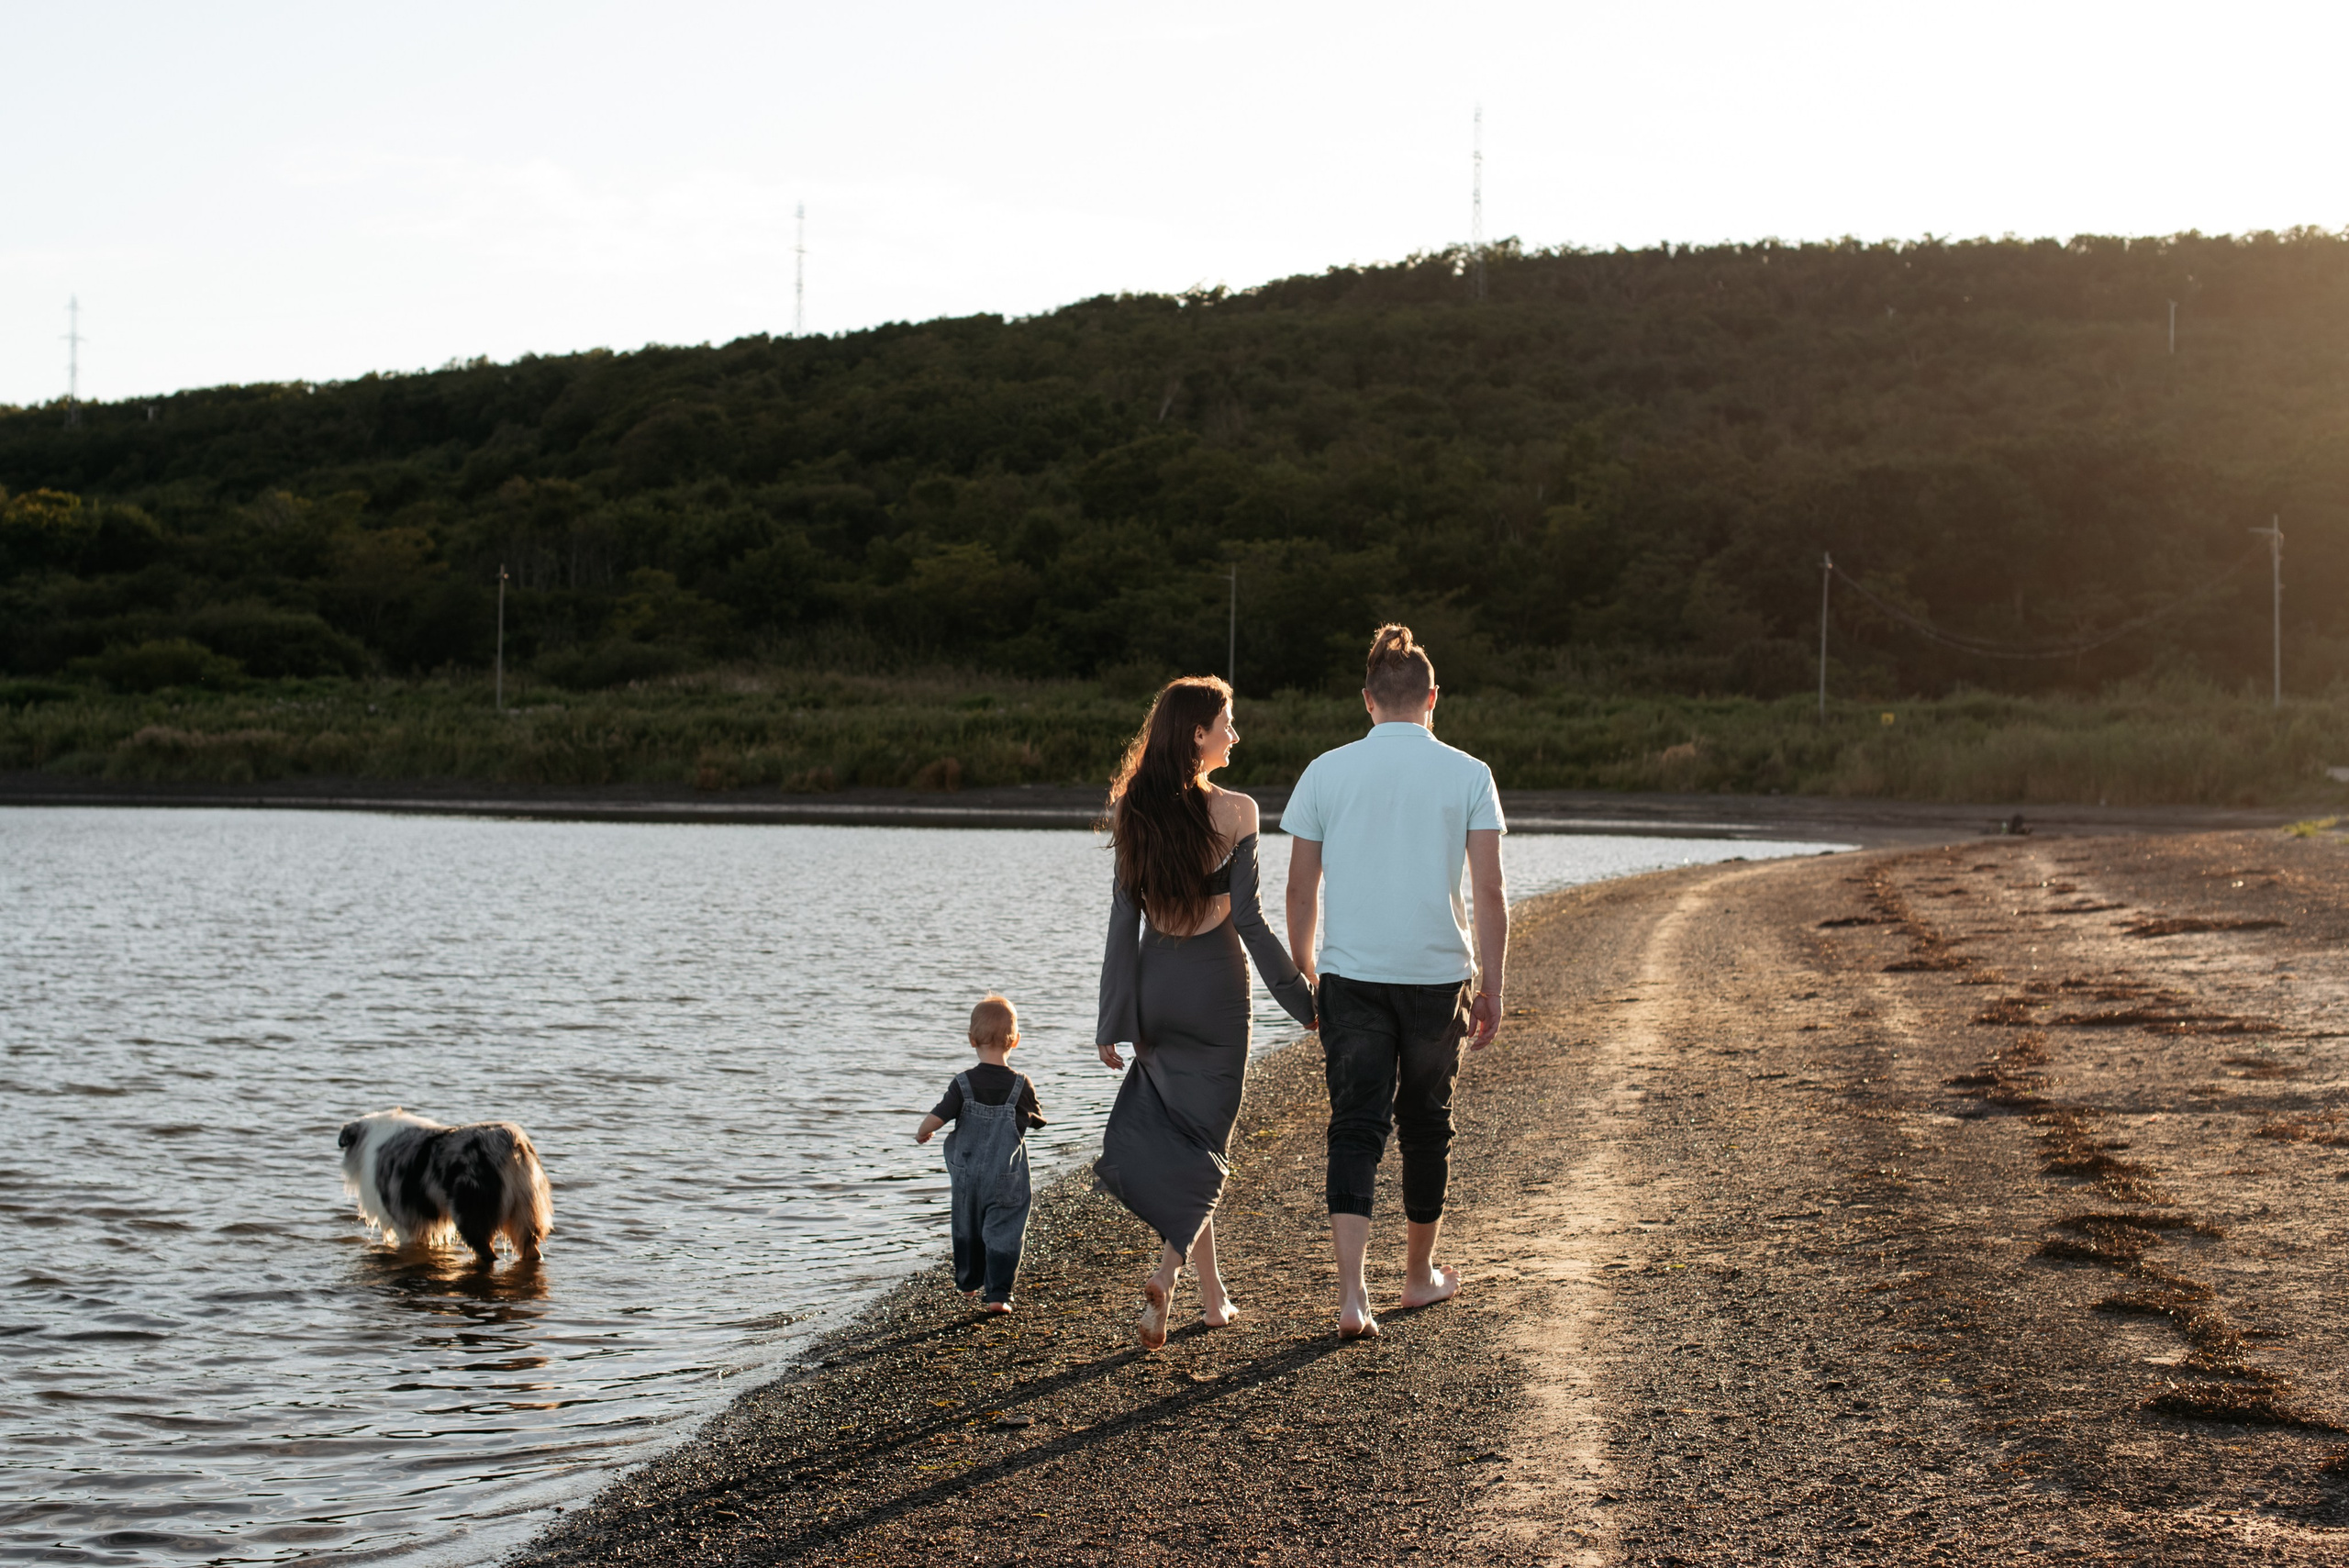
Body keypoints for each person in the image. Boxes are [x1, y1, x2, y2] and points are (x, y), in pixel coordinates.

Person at [1282, 624, 1508, 1341]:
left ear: (1368, 700)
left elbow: (1298, 887)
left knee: (1355, 1124)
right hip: (1440, 974)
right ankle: (1417, 1278)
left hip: (1352, 973)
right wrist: (1493, 983)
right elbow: (1490, 888)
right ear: (1433, 698)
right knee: (1425, 1121)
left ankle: (1353, 1297)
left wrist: (1307, 967)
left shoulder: (1325, 770)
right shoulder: (1471, 773)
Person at [1095, 675, 1317, 1351]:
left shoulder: (1134, 806)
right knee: (1206, 1146)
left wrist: (1113, 1019)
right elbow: (1247, 919)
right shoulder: (1239, 811)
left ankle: (1213, 1294)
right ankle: (1166, 1275)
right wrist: (1305, 1004)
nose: (1235, 734)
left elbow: (1121, 921)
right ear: (1197, 732)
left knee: (1188, 1141)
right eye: (1227, 722)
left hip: (1158, 988)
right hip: (1217, 989)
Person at [916, 994, 1045, 1315]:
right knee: (1005, 1232)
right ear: (1015, 1040)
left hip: (968, 1175)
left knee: (966, 1226)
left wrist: (923, 1131)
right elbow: (1037, 1121)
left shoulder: (962, 1084)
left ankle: (969, 1281)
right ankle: (998, 1296)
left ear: (971, 1038)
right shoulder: (1021, 1084)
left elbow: (938, 1116)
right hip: (1007, 1176)